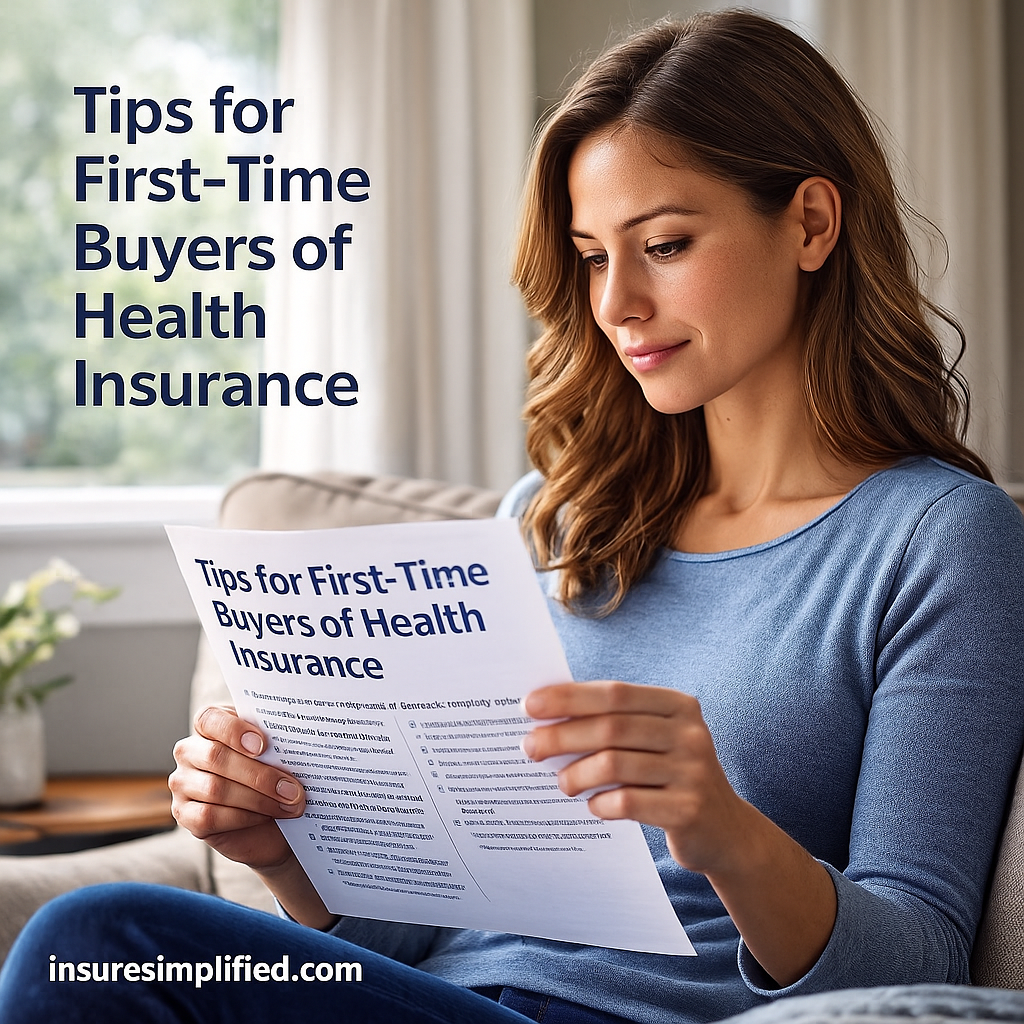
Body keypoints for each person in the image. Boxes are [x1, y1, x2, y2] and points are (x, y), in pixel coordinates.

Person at [2, 9, 1022, 1024]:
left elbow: (922, 963)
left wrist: (722, 828)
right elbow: (418, 939)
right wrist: (279, 849)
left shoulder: (938, 538)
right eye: (588, 256)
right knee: (100, 961)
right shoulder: (554, 519)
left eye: (662, 242)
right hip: (445, 1003)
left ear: (809, 222)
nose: (615, 301)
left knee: (96, 942)